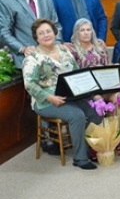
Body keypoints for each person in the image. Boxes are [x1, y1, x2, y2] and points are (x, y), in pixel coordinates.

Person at [22, 18, 100, 170]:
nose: (46, 35)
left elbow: (77, 71)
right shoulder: (32, 59)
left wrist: (87, 90)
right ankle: (80, 158)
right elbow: (29, 84)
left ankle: (91, 148)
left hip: (70, 95)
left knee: (95, 111)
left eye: (48, 31)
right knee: (77, 115)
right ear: (36, 37)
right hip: (45, 100)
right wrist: (50, 97)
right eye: (41, 33)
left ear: (55, 33)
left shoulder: (65, 51)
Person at [0, 0, 62, 68]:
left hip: (52, 59)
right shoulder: (6, 2)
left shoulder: (47, 0)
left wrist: (57, 45)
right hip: (26, 61)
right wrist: (22, 48)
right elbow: (3, 32)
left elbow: (56, 26)